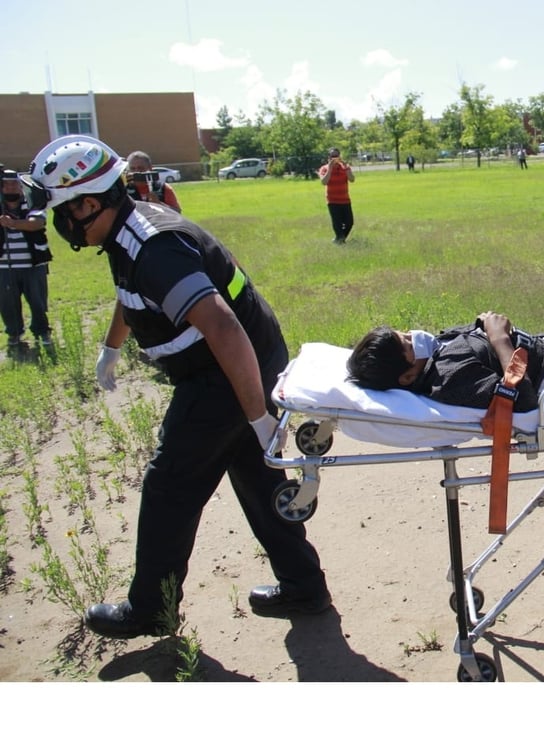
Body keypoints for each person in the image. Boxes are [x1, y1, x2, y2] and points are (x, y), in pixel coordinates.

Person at [27, 135, 331, 638]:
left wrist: (256, 417)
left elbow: (222, 327)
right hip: (245, 363)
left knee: (170, 486)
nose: (61, 226)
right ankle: (304, 584)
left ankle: (150, 609)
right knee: (257, 480)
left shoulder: (153, 248)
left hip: (225, 373)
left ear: (89, 203)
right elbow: (134, 296)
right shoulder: (128, 228)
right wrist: (112, 346)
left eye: (63, 212)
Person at [347, 312, 544, 412]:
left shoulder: (436, 355)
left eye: (406, 333)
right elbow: (521, 400)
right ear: (407, 377)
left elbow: (467, 342)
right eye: (408, 344)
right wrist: (499, 339)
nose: (415, 336)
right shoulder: (448, 380)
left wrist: (481, 324)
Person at [1, 168, 52, 353]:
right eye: (5, 184)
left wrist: (13, 223)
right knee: (7, 303)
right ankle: (14, 333)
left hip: (33, 264)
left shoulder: (33, 202)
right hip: (5, 266)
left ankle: (42, 332)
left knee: (38, 302)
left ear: (21, 186)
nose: (10, 188)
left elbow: (36, 223)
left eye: (14, 183)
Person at [318, 147, 355, 244]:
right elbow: (324, 182)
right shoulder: (324, 168)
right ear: (329, 157)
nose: (335, 158)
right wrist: (330, 168)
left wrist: (346, 167)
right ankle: (340, 239)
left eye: (336, 156)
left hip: (345, 200)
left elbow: (352, 179)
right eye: (332, 156)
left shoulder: (345, 167)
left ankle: (339, 239)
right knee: (337, 223)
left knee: (349, 222)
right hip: (332, 200)